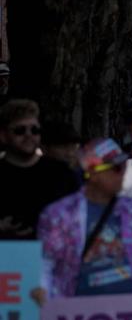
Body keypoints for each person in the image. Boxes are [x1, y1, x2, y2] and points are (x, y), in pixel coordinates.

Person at [35, 138, 132, 300]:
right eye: (115, 168)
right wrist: (47, 304)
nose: (123, 173)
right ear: (92, 173)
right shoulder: (59, 215)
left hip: (131, 312)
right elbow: (46, 263)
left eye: (124, 166)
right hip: (74, 313)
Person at [0, 99, 79, 240]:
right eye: (20, 130)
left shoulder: (62, 173)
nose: (29, 135)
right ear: (3, 135)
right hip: (7, 256)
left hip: (52, 257)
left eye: (35, 130)